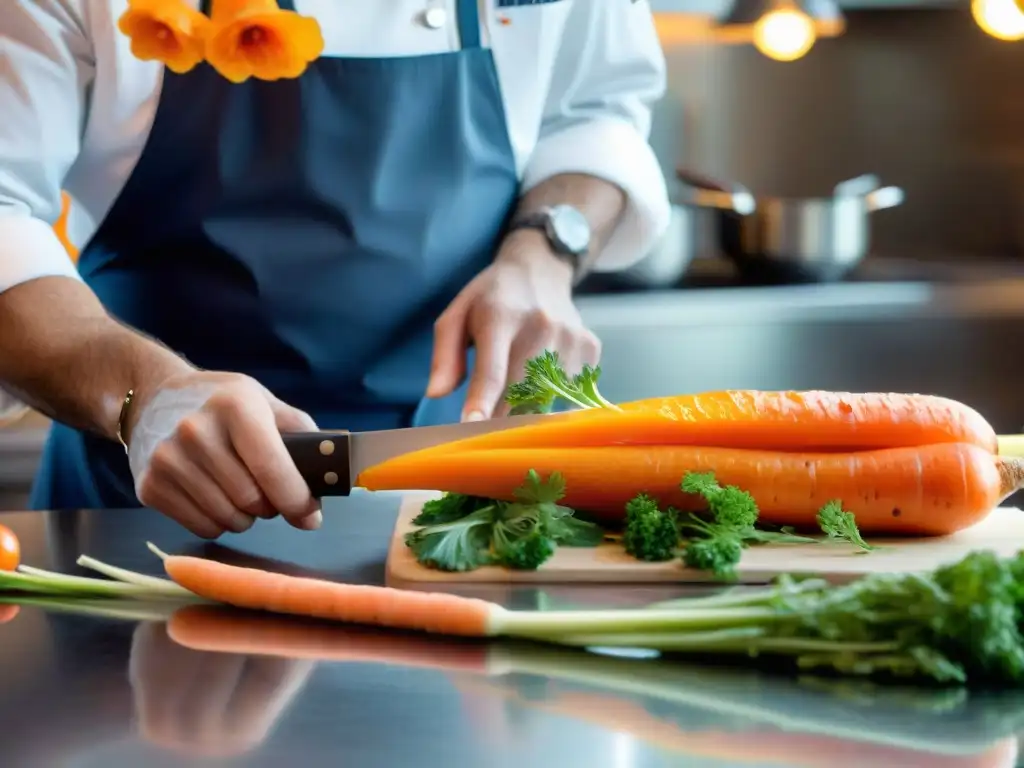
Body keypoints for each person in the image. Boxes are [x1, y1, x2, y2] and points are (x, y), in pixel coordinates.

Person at [0, 0, 670, 538]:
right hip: (146, 514)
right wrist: (143, 398)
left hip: (462, 510)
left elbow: (597, 110)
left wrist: (543, 254)